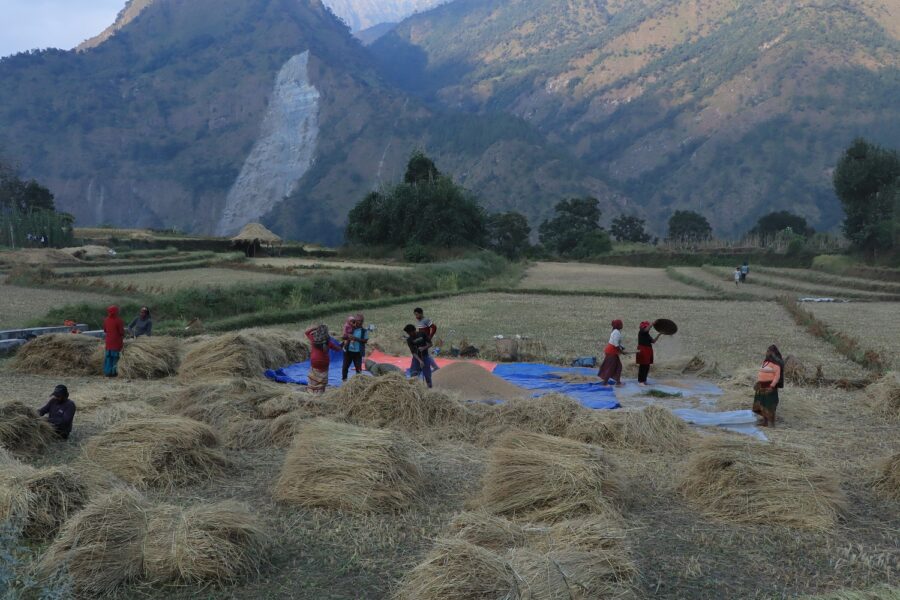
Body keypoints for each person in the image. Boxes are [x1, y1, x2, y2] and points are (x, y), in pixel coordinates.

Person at [752, 345, 784, 427]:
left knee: (770, 405)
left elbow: (777, 376)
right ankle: (765, 421)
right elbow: (761, 373)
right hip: (761, 387)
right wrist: (758, 382)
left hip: (769, 387)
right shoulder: (765, 362)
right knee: (762, 404)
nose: (768, 353)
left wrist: (772, 386)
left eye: (770, 351)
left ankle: (771, 423)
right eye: (767, 351)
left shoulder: (776, 364)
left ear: (774, 353)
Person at [304, 324, 342, 393]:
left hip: (314, 362)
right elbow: (338, 349)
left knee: (313, 377)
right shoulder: (328, 342)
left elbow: (306, 332)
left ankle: (312, 391)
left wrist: (315, 327)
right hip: (325, 363)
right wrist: (342, 344)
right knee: (322, 378)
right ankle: (320, 392)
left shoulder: (313, 339)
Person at [404, 323, 433, 388]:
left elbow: (430, 344)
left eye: (409, 333)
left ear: (413, 331)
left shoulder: (422, 334)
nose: (409, 334)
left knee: (427, 375)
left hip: (425, 356)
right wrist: (420, 361)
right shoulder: (409, 340)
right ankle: (415, 388)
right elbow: (413, 352)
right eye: (408, 333)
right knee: (413, 374)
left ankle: (429, 388)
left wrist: (423, 348)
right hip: (416, 358)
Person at [598, 319, 626, 386]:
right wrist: (621, 351)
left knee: (619, 366)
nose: (622, 325)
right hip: (612, 352)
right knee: (611, 367)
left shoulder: (616, 331)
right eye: (621, 324)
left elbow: (615, 342)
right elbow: (616, 344)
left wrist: (621, 347)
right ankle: (605, 383)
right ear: (618, 325)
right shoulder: (616, 332)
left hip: (611, 351)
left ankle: (618, 382)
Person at [342, 314, 369, 381]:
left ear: (362, 322)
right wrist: (348, 336)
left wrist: (355, 338)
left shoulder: (364, 331)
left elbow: (365, 341)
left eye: (360, 321)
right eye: (357, 321)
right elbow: (343, 337)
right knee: (345, 367)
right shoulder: (350, 328)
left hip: (358, 353)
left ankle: (358, 383)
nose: (358, 322)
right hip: (348, 351)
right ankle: (344, 380)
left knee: (358, 369)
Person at [413, 307, 440, 372]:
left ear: (421, 313)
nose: (416, 316)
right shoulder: (419, 321)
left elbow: (434, 327)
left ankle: (435, 367)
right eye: (415, 315)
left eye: (417, 314)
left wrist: (429, 337)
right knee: (424, 354)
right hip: (421, 340)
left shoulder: (426, 320)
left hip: (425, 340)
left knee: (426, 355)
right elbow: (421, 331)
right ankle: (431, 367)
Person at [636, 321, 662, 386]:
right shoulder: (641, 332)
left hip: (648, 351)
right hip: (643, 351)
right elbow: (646, 329)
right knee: (643, 366)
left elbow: (653, 341)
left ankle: (644, 380)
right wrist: (652, 324)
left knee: (647, 366)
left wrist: (659, 334)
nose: (648, 328)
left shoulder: (647, 334)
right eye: (646, 327)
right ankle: (640, 381)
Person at [102, 305, 125, 377]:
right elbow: (121, 332)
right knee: (115, 358)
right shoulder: (119, 320)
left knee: (108, 357)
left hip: (108, 342)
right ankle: (114, 372)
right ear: (116, 312)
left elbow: (105, 330)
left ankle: (107, 372)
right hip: (116, 342)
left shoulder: (106, 320)